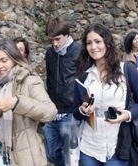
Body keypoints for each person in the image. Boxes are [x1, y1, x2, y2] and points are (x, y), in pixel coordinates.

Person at [0, 39, 57, 165]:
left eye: (4, 60)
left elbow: (50, 112)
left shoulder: (29, 81)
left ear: (14, 59)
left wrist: (16, 103)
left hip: (26, 157)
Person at [73, 23, 138, 165]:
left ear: (107, 43)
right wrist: (82, 110)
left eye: (98, 41)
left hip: (117, 145)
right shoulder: (84, 76)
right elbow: (76, 111)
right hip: (89, 147)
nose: (93, 47)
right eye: (89, 43)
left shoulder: (126, 69)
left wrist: (128, 114)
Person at [43, 16, 82, 166]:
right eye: (52, 40)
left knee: (70, 158)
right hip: (52, 112)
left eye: (58, 39)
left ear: (67, 34)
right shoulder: (49, 54)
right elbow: (50, 80)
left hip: (70, 113)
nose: (55, 43)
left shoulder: (79, 50)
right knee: (51, 154)